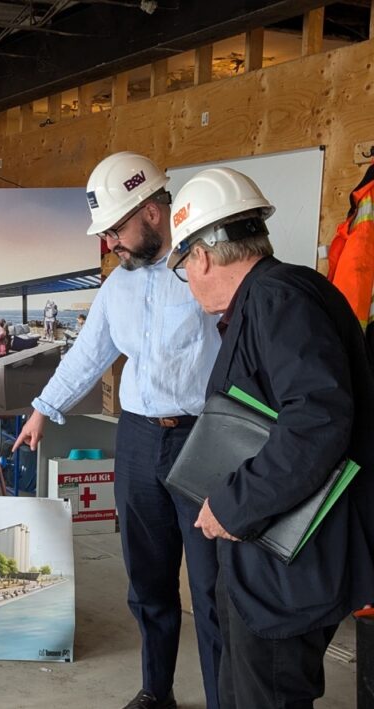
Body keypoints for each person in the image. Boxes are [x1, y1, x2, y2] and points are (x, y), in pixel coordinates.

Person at [12, 152, 223, 709]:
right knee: (148, 584)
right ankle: (158, 692)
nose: (109, 244)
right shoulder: (118, 287)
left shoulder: (207, 267)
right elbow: (87, 355)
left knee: (211, 588)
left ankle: (229, 697)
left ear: (152, 212)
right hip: (137, 443)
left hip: (203, 442)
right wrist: (42, 409)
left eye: (115, 230)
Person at [167, 167, 374, 708]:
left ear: (202, 257)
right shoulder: (274, 296)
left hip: (288, 565)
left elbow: (317, 420)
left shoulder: (279, 300)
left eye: (183, 266)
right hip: (270, 556)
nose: (187, 281)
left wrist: (233, 506)